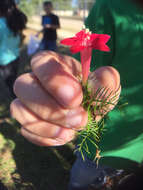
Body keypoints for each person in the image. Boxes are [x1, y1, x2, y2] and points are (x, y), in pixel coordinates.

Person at [10, 0, 143, 189]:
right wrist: (56, 90)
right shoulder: (112, 7)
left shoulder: (112, 7)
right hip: (103, 147)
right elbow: (84, 74)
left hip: (120, 147)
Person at [0, 0, 27, 98]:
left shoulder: (1, 24)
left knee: (10, 84)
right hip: (15, 56)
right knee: (13, 79)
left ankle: (18, 100)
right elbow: (21, 37)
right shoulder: (14, 20)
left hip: (3, 61)